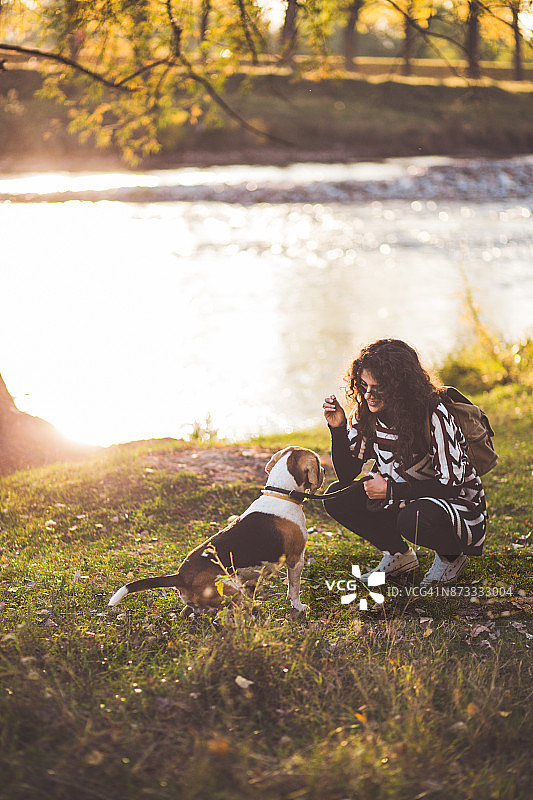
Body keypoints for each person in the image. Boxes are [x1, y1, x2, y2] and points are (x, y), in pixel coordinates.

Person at [322, 338, 487, 584]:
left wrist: (390, 490)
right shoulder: (367, 411)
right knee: (337, 495)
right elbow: (347, 474)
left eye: (378, 388)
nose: (368, 395)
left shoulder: (434, 414)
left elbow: (451, 485)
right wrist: (337, 428)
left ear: (401, 387)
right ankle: (399, 555)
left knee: (414, 517)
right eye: (364, 384)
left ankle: (451, 558)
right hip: (400, 499)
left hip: (456, 508)